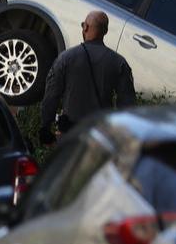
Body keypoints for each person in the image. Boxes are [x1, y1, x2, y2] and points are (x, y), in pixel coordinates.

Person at [39, 10, 136, 144]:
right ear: (105, 31)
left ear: (86, 27)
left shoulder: (66, 58)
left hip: (69, 134)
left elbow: (51, 96)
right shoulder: (119, 63)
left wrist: (45, 126)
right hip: (100, 138)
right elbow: (127, 106)